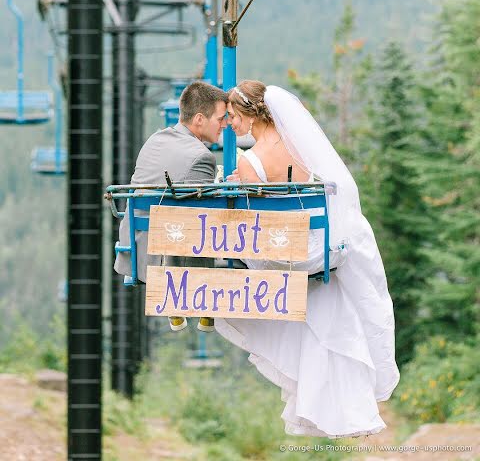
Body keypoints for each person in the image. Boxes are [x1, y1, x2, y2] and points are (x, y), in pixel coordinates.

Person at [215, 79, 400, 438]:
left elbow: (259, 222)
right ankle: (336, 395)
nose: (232, 124)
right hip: (317, 245)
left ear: (252, 115)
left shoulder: (248, 159)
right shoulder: (301, 147)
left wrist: (238, 184)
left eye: (235, 116)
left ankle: (311, 386)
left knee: (231, 276)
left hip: (283, 252)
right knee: (326, 308)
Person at [114, 81, 228, 332]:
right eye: (220, 118)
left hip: (134, 246)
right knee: (208, 224)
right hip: (164, 256)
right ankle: (206, 308)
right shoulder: (202, 156)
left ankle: (178, 312)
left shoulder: (157, 139)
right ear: (200, 119)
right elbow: (204, 211)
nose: (225, 124)